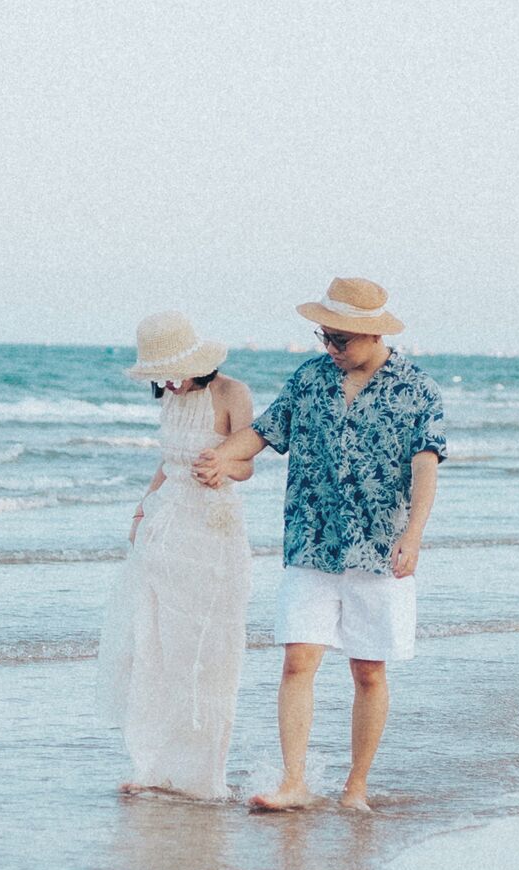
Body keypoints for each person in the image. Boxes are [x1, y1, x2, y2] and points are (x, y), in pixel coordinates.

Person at [197, 275, 443, 813]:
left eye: (340, 340)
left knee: (368, 670)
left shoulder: (417, 390)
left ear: (371, 335)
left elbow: (425, 466)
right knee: (297, 660)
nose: (329, 349)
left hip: (379, 550)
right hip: (310, 540)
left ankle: (356, 786)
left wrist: (414, 534)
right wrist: (221, 455)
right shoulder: (309, 378)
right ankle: (294, 782)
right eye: (323, 337)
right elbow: (264, 432)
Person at [95, 311, 259, 798]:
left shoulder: (232, 394)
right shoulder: (171, 394)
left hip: (212, 531)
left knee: (207, 651)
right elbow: (169, 462)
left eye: (171, 369)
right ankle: (152, 766)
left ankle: (205, 776)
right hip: (165, 527)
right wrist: (141, 509)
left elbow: (249, 463)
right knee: (153, 644)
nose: (165, 381)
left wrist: (223, 467)